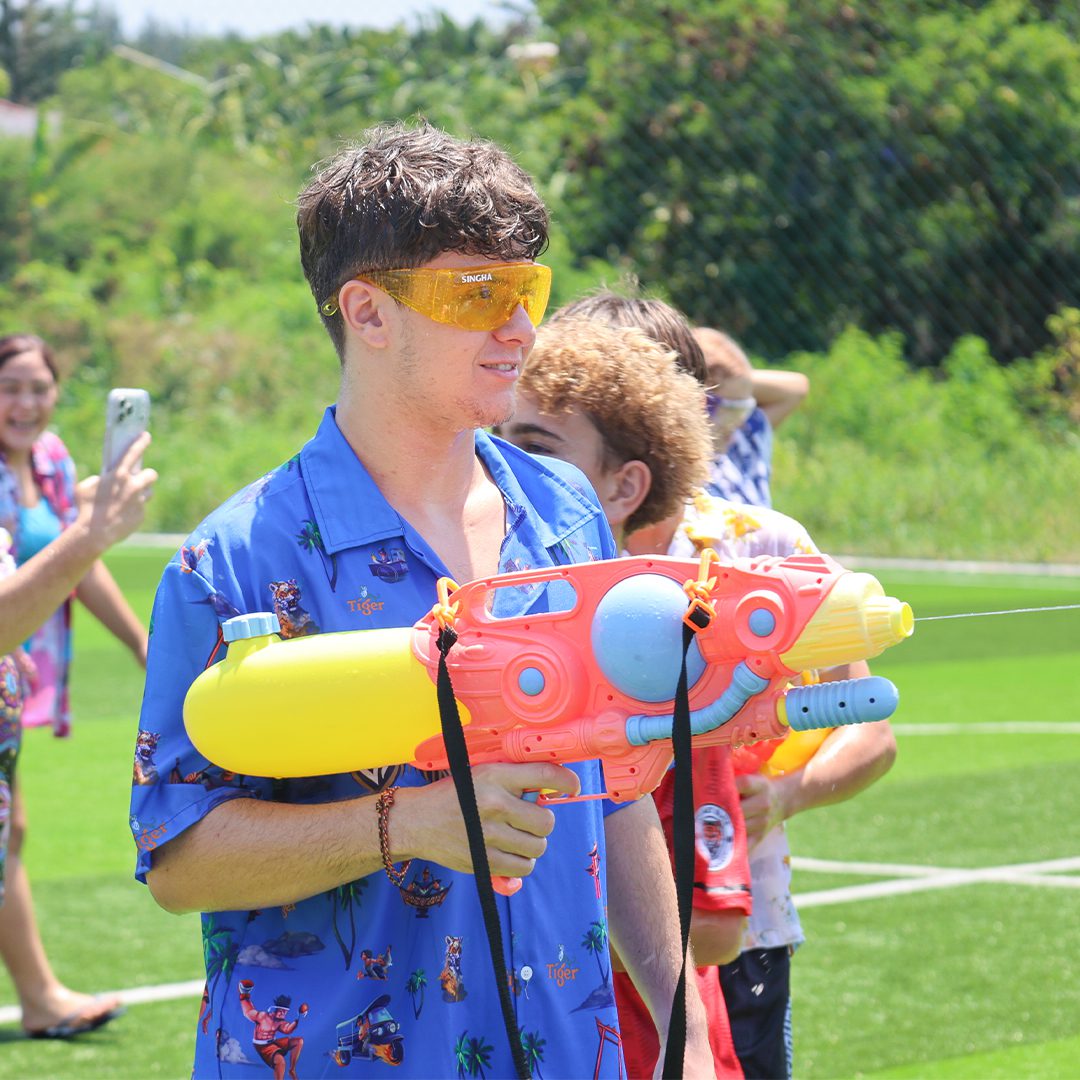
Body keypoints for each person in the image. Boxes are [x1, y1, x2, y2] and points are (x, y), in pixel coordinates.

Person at [130, 122, 713, 1079]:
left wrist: (683, 1021)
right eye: (479, 294)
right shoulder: (232, 560)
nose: (520, 328)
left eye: (528, 290)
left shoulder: (566, 512)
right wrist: (409, 824)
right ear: (368, 312)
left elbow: (611, 788)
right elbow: (181, 857)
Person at [549, 294, 895, 1080]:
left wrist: (788, 795)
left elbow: (872, 730)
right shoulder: (531, 552)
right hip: (569, 941)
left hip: (733, 925)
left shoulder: (760, 546)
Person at [498, 314, 752, 1079]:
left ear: (624, 487)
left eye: (535, 447)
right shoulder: (504, 640)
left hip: (645, 1054)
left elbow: (716, 928)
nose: (501, 468)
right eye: (493, 440)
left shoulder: (661, 667)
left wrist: (553, 920)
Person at [0, 333, 156, 1039]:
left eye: (38, 388)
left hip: (11, 682)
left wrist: (140, 644)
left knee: (11, 827)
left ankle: (38, 995)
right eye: (10, 387)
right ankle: (39, 995)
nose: (25, 403)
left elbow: (75, 561)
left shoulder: (51, 460)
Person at [693, 326, 809, 509]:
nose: (738, 421)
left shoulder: (744, 439)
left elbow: (797, 388)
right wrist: (700, 377)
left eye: (743, 409)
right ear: (699, 403)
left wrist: (737, 377)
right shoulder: (683, 478)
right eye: (731, 410)